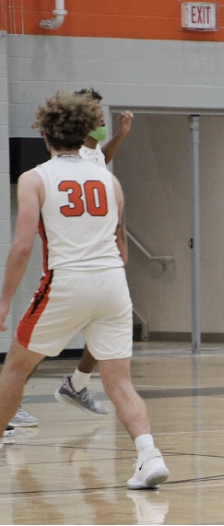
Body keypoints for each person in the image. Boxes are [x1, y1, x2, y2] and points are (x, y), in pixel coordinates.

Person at [0, 91, 168, 489]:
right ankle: (149, 456)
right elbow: (120, 241)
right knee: (119, 381)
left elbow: (23, 246)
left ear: (45, 133)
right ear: (84, 132)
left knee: (16, 369)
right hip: (112, 282)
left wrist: (5, 298)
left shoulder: (35, 177)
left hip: (67, 281)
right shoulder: (109, 181)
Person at [10, 89, 134, 429]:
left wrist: (121, 134)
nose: (100, 121)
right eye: (95, 114)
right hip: (70, 266)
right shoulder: (63, 162)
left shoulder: (93, 160)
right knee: (31, 349)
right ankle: (16, 398)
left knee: (98, 332)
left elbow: (103, 166)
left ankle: (77, 383)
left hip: (96, 265)